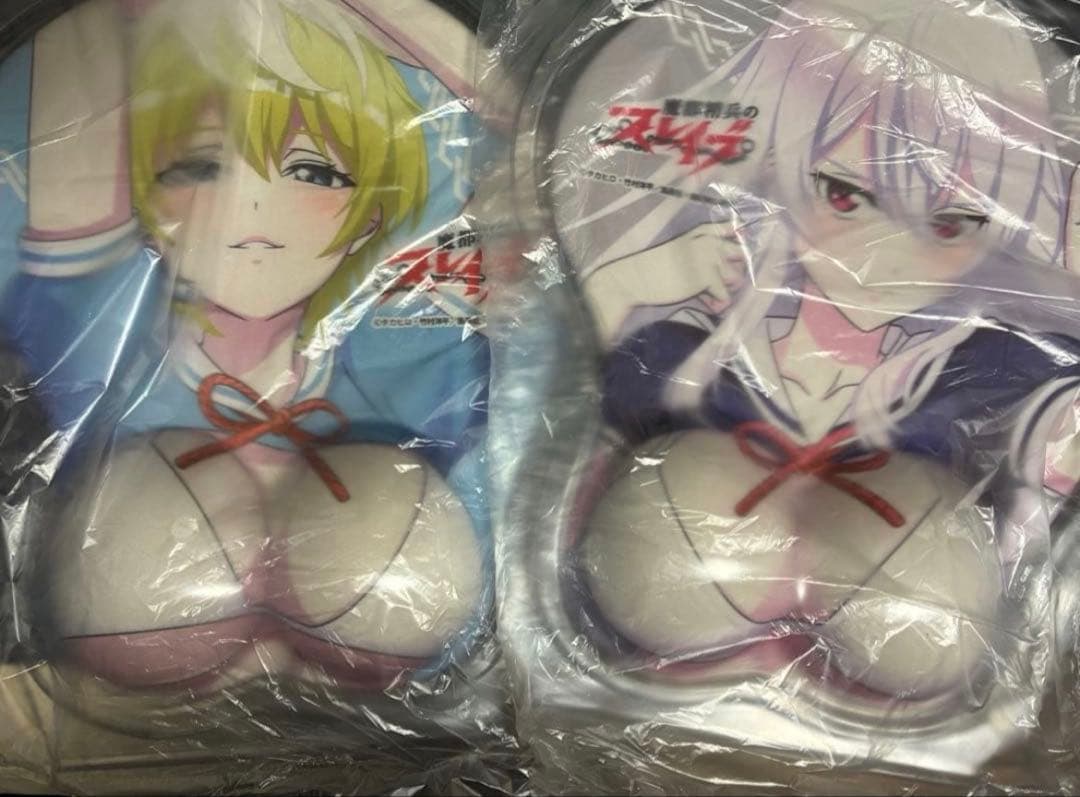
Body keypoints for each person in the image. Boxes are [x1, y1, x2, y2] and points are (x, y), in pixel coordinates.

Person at [575, 0, 1080, 700]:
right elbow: (600, 341)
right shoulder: (687, 336)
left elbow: (1049, 416)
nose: (884, 254)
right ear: (775, 165)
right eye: (843, 194)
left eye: (951, 222)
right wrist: (639, 278)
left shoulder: (982, 366)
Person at [5, 0, 489, 690]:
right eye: (200, 167)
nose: (252, 207)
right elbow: (63, 94)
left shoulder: (412, 362)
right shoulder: (95, 342)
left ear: (373, 219)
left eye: (316, 174)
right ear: (146, 198)